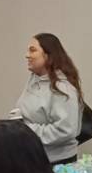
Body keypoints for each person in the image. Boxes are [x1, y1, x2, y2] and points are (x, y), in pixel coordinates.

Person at [10, 33, 83, 165]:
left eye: (33, 50)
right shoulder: (34, 78)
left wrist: (25, 131)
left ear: (48, 55)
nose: (27, 55)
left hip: (54, 163)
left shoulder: (63, 89)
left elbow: (65, 130)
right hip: (31, 156)